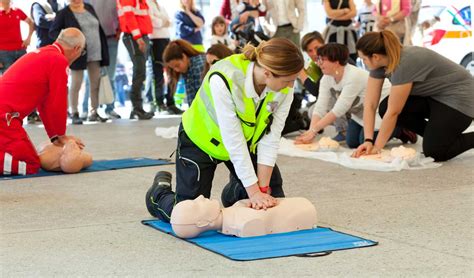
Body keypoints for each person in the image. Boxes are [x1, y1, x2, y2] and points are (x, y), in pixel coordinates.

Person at [145, 38, 304, 222]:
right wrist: (253, 193)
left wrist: (261, 190)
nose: (291, 86)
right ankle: (157, 194)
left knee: (272, 192)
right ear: (268, 73)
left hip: (245, 142)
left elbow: (271, 138)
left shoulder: (283, 87)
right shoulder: (224, 78)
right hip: (200, 142)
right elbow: (233, 140)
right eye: (288, 80)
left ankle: (235, 193)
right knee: (189, 216)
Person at [353, 30, 474, 161]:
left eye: (364, 59)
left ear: (375, 56)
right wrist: (368, 140)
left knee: (436, 152)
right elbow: (370, 104)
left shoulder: (404, 63)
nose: (363, 62)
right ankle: (437, 137)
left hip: (461, 98)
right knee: (384, 108)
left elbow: (394, 111)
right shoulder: (380, 64)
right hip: (434, 97)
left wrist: (377, 147)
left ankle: (439, 140)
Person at [0, 28, 86, 175]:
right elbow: (57, 102)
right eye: (81, 52)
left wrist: (55, 136)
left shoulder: (44, 53)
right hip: (5, 118)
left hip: (5, 115)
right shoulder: (59, 61)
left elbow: (44, 103)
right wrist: (62, 135)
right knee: (30, 165)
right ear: (77, 49)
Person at [294, 43, 415, 148]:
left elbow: (340, 109)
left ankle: (400, 129)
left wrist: (314, 131)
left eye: (322, 59)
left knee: (364, 140)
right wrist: (310, 131)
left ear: (336, 62)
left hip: (380, 110)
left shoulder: (353, 76)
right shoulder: (327, 77)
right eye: (318, 59)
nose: (318, 63)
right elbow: (320, 106)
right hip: (361, 113)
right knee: (352, 142)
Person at [49, 0, 110, 124]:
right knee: (76, 83)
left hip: (96, 52)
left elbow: (98, 29)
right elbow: (53, 32)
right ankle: (74, 112)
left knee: (95, 84)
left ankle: (94, 112)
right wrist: (68, 42)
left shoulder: (89, 8)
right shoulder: (64, 13)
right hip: (77, 53)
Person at [170, 195, 317, 238]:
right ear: (202, 223)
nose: (200, 197)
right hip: (305, 209)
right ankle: (160, 191)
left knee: (234, 192)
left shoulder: (236, 210)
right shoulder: (244, 223)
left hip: (302, 205)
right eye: (196, 205)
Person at [117, 0, 154, 120]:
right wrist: (138, 37)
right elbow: (129, 17)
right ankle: (137, 108)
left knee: (140, 72)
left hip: (141, 37)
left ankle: (136, 108)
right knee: (139, 72)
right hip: (134, 37)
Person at [86, 0, 122, 120]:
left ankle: (110, 108)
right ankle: (90, 109)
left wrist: (119, 30)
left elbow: (120, 13)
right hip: (93, 40)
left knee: (110, 75)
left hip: (111, 38)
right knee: (91, 77)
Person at [162, 39, 206, 106]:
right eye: (173, 68)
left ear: (184, 56)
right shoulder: (188, 68)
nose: (176, 70)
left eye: (177, 65)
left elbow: (203, 100)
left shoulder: (198, 67)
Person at [0, 0, 35, 75]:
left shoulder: (17, 11)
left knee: (26, 75)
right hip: (4, 53)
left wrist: (28, 38)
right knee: (8, 78)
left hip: (20, 50)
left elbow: (31, 22)